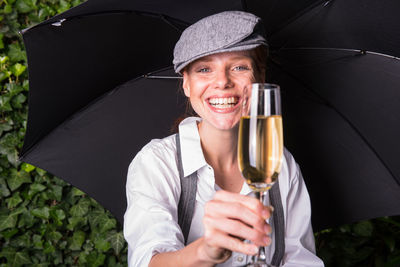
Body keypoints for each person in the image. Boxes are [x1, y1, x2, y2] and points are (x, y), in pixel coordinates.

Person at [124, 11, 324, 267]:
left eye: (240, 67)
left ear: (260, 80)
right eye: (204, 69)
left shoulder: (280, 163)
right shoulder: (157, 163)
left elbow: (300, 261)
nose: (222, 82)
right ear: (186, 84)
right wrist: (205, 251)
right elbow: (147, 260)